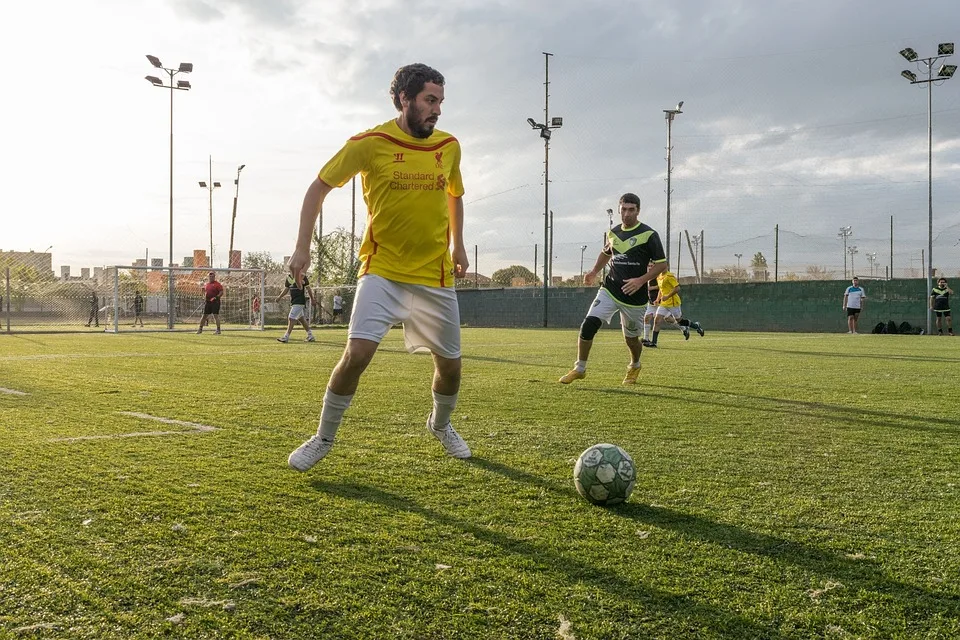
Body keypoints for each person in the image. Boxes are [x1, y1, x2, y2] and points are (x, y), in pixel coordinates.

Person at [286, 63, 471, 472]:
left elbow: (456, 194)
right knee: (356, 355)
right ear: (403, 98)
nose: (437, 110)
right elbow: (318, 187)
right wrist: (302, 248)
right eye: (429, 100)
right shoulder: (370, 143)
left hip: (435, 277)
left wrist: (458, 246)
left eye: (440, 101)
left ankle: (440, 426)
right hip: (382, 271)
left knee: (451, 367)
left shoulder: (449, 146)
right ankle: (323, 438)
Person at [559, 193, 667, 386]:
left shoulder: (649, 235)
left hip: (635, 298)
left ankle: (634, 365)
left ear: (638, 211)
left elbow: (661, 265)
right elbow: (606, 252)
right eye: (623, 209)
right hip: (610, 289)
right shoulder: (613, 233)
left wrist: (640, 280)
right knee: (588, 324)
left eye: (631, 210)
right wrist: (593, 272)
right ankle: (580, 368)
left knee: (632, 340)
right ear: (619, 210)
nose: (627, 214)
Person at [647, 268, 704, 347]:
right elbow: (661, 289)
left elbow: (677, 288)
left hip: (673, 303)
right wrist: (658, 299)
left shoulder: (669, 276)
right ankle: (654, 343)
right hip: (664, 303)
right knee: (657, 320)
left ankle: (696, 326)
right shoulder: (659, 276)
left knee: (680, 321)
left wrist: (667, 296)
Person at [276, 273, 316, 343]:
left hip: (300, 301)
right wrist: (279, 297)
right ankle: (310, 336)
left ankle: (286, 337)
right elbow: (286, 289)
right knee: (301, 319)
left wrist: (312, 299)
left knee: (291, 318)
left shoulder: (302, 276)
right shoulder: (288, 277)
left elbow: (308, 288)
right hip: (294, 301)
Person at [641, 277, 659, 346]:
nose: (650, 267)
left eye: (652, 265)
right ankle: (646, 339)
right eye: (649, 265)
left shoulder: (660, 276)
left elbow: (662, 286)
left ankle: (683, 328)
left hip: (660, 302)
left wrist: (650, 288)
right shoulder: (646, 276)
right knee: (647, 318)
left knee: (669, 319)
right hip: (651, 302)